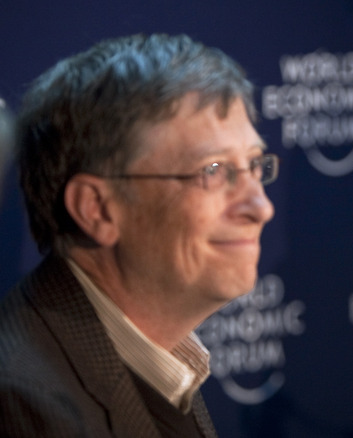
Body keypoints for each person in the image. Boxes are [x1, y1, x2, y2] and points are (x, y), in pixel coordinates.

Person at [0, 33, 277, 437]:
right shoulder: (24, 405)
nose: (261, 207)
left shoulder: (160, 356)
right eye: (214, 171)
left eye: (254, 165)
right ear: (97, 208)